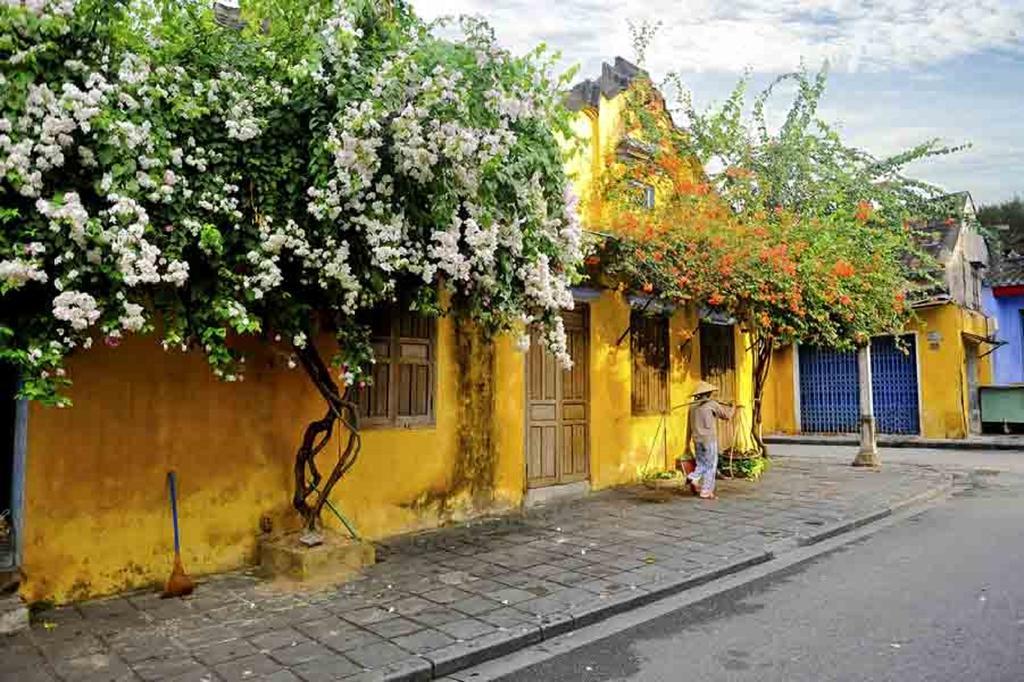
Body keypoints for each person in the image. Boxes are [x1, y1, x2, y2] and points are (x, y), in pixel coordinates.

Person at [686, 381, 734, 499]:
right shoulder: (712, 404)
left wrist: (687, 441)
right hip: (709, 440)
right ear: (708, 394)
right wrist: (733, 407)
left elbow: (688, 426)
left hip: (697, 439)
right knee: (711, 465)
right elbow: (727, 416)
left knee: (702, 463)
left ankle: (694, 478)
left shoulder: (692, 406)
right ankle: (704, 489)